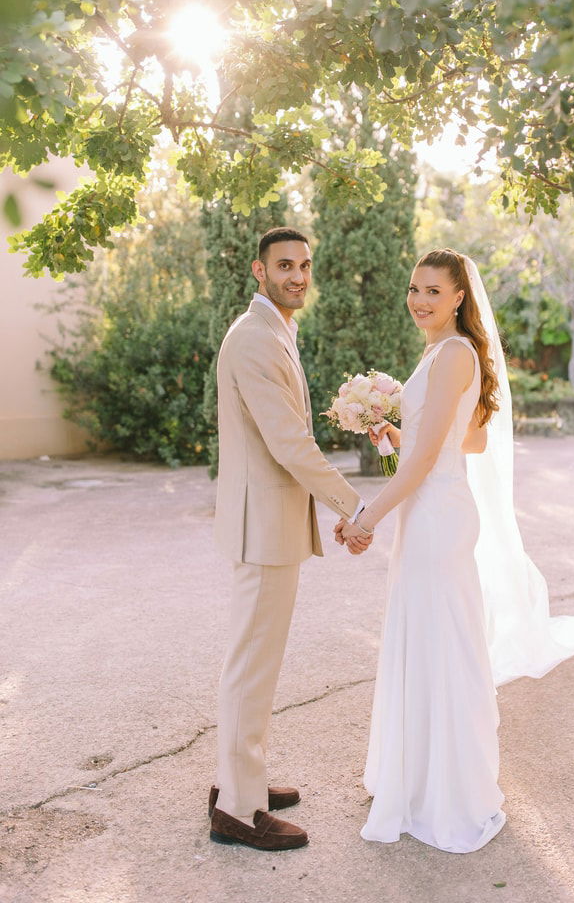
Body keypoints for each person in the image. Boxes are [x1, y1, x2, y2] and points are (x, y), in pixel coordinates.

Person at [337, 248, 574, 853]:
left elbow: (422, 463)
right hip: (433, 510)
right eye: (414, 289)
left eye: (433, 291)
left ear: (460, 297)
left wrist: (365, 518)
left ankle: (448, 793)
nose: (419, 301)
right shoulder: (446, 354)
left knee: (441, 644)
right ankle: (417, 780)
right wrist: (393, 430)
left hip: (435, 517)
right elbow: (468, 438)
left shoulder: (454, 354)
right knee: (429, 638)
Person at [209, 227, 372, 852]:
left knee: (252, 661)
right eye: (285, 265)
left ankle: (237, 780)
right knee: (251, 665)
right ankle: (240, 809)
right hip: (264, 528)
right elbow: (288, 444)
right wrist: (355, 504)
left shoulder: (274, 329)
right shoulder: (254, 338)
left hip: (269, 522)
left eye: (305, 264)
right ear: (259, 269)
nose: (297, 275)